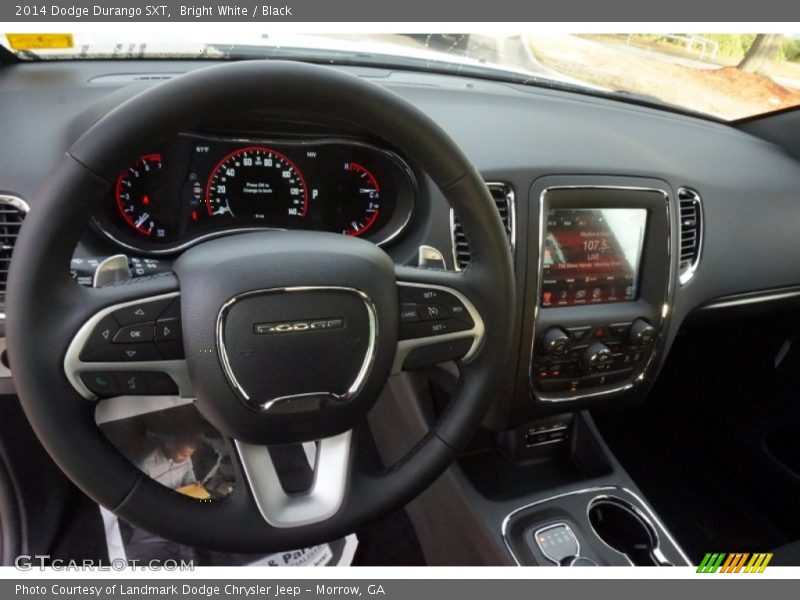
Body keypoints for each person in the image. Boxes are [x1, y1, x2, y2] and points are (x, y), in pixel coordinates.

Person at [136, 432, 203, 489]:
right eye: (183, 455)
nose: (187, 459)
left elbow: (188, 472)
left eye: (189, 455)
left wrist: (191, 483)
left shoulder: (186, 457)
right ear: (170, 445)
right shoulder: (145, 466)